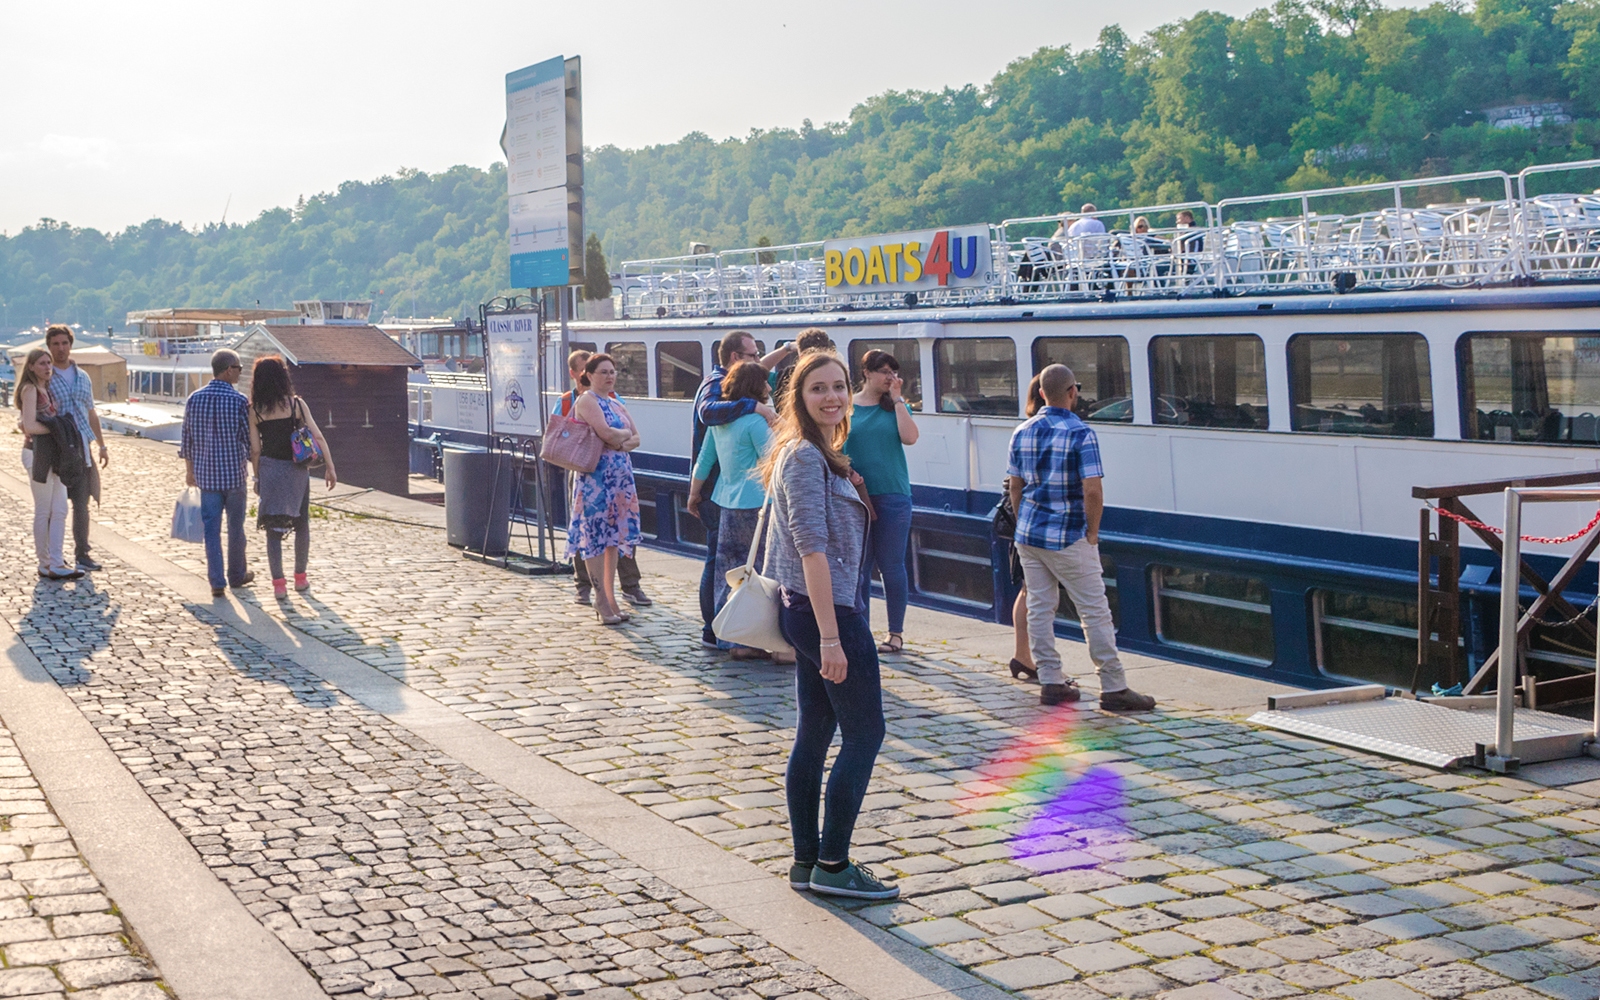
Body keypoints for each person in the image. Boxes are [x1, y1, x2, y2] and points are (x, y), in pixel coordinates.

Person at [761, 350, 897, 901]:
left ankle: (806, 862)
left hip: (814, 610)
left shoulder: (822, 453)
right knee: (865, 734)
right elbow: (811, 549)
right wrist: (832, 640)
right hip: (827, 613)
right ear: (799, 396)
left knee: (815, 736)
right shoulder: (804, 457)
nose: (833, 397)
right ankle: (834, 865)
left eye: (839, 387)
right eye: (818, 388)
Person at [1006, 364, 1154, 712]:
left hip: (1029, 534)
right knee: (1094, 611)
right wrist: (1092, 532)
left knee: (1040, 607)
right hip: (1069, 535)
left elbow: (1016, 486)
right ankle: (1114, 686)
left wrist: (1021, 522)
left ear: (1042, 393)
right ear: (1072, 392)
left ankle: (1052, 682)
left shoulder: (1022, 431)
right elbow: (1093, 490)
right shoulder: (1081, 433)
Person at [687, 361, 787, 662]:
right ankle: (764, 638)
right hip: (759, 506)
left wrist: (694, 495)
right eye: (765, 383)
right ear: (755, 387)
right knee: (763, 574)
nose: (769, 388)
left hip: (725, 502)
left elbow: (705, 460)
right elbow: (774, 461)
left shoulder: (720, 422)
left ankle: (733, 640)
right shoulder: (756, 423)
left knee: (729, 573)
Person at [556, 349, 651, 608]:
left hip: (620, 479)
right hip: (596, 479)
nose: (610, 377)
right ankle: (599, 598)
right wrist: (620, 437)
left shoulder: (615, 402)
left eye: (612, 372)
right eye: (604, 372)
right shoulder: (586, 401)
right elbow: (607, 433)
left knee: (615, 539)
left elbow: (637, 438)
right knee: (595, 538)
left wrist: (617, 441)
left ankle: (612, 598)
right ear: (588, 375)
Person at [844, 350, 919, 655]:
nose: (891, 377)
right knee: (859, 567)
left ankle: (895, 634)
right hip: (855, 495)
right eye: (884, 371)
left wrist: (899, 399)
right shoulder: (847, 406)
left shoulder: (895, 407)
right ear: (867, 373)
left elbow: (911, 438)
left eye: (894, 371)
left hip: (893, 494)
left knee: (892, 566)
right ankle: (860, 630)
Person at [248, 356, 336, 600]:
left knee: (272, 528)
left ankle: (279, 585)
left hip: (270, 470)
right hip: (297, 471)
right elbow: (317, 436)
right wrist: (330, 466)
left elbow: (255, 450)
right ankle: (300, 579)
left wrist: (257, 478)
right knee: (302, 523)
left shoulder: (254, 410)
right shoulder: (296, 405)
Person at [180, 349, 255, 598]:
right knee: (236, 528)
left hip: (207, 478)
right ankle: (237, 575)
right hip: (234, 477)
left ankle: (216, 581)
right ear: (227, 370)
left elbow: (187, 440)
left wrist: (190, 471)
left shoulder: (194, 399)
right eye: (238, 368)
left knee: (211, 530)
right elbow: (248, 440)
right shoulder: (240, 401)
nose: (240, 372)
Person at [44, 325, 108, 572]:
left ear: (71, 345)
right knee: (55, 506)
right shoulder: (46, 375)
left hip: (82, 447)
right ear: (49, 347)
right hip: (57, 447)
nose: (61, 348)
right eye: (56, 344)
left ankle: (83, 553)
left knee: (82, 504)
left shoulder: (83, 377)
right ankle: (53, 556)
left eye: (64, 343)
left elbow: (91, 412)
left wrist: (102, 445)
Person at [16, 349, 82, 580]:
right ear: (31, 367)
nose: (47, 367)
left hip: (51, 454)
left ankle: (54, 560)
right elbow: (29, 425)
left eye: (49, 363)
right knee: (44, 510)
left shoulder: (47, 389)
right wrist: (59, 430)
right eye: (42, 363)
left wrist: (58, 431)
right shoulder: (31, 389)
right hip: (37, 454)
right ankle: (47, 562)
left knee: (60, 509)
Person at [1001, 376, 1046, 681]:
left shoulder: (1024, 430)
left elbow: (1014, 481)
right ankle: (1031, 659)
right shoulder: (1052, 430)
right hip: (1042, 525)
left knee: (1030, 591)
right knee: (1036, 594)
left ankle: (1024, 656)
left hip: (1026, 523)